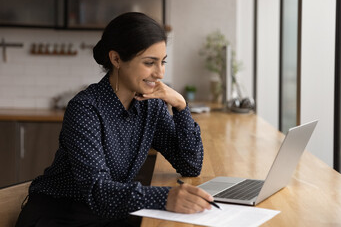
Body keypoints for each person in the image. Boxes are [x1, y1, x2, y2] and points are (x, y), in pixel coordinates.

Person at [15, 12, 214, 227]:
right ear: (116, 59)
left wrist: (181, 106)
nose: (160, 73)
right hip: (59, 217)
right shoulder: (85, 109)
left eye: (162, 62)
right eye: (150, 63)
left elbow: (190, 165)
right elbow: (97, 191)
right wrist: (166, 197)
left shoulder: (151, 104)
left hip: (108, 215)